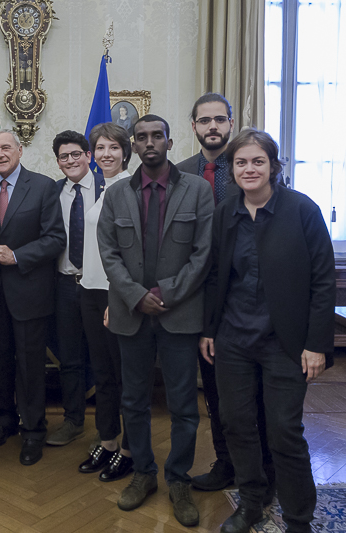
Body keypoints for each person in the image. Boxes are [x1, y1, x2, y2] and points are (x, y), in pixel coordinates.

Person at [200, 129, 335, 533]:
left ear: (273, 166)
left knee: (283, 432)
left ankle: (298, 518)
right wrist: (209, 329)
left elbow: (323, 281)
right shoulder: (225, 213)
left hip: (287, 344)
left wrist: (316, 345)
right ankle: (252, 502)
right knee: (237, 423)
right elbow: (214, 275)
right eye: (241, 162)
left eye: (258, 161)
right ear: (232, 169)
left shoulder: (302, 210)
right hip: (234, 340)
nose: (249, 169)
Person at [97, 115, 214, 527]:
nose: (149, 143)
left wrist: (164, 293)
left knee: (183, 405)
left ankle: (178, 479)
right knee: (134, 401)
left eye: (156, 136)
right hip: (131, 315)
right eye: (141, 137)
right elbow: (108, 252)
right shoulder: (116, 195)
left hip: (178, 314)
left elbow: (203, 253)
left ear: (169, 140)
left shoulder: (198, 191)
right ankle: (144, 474)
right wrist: (135, 295)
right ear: (134, 144)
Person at [178, 93, 274, 496]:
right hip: (198, 297)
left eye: (220, 119)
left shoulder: (250, 168)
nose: (212, 127)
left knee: (260, 393)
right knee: (216, 389)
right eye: (205, 120)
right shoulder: (179, 172)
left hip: (250, 299)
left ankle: (266, 466)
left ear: (231, 123)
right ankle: (226, 461)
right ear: (194, 126)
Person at [0, 129, 66, 466]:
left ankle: (33, 430)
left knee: (30, 364)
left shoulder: (43, 186)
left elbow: (55, 238)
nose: (0, 153)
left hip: (29, 289)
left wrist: (15, 255)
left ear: (20, 150)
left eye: (5, 148)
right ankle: (4, 421)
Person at [75, 122, 134, 482]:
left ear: (126, 153)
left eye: (113, 148)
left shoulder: (130, 189)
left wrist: (119, 297)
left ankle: (129, 449)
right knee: (103, 375)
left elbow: (131, 253)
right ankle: (108, 441)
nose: (106, 154)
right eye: (100, 148)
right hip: (90, 292)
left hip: (117, 296)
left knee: (125, 377)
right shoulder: (101, 188)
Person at [44, 130, 102, 448]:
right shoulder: (52, 193)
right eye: (64, 156)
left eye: (76, 154)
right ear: (58, 162)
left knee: (104, 356)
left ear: (88, 156)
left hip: (99, 288)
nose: (71, 160)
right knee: (70, 358)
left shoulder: (108, 188)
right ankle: (73, 421)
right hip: (65, 285)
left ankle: (109, 427)